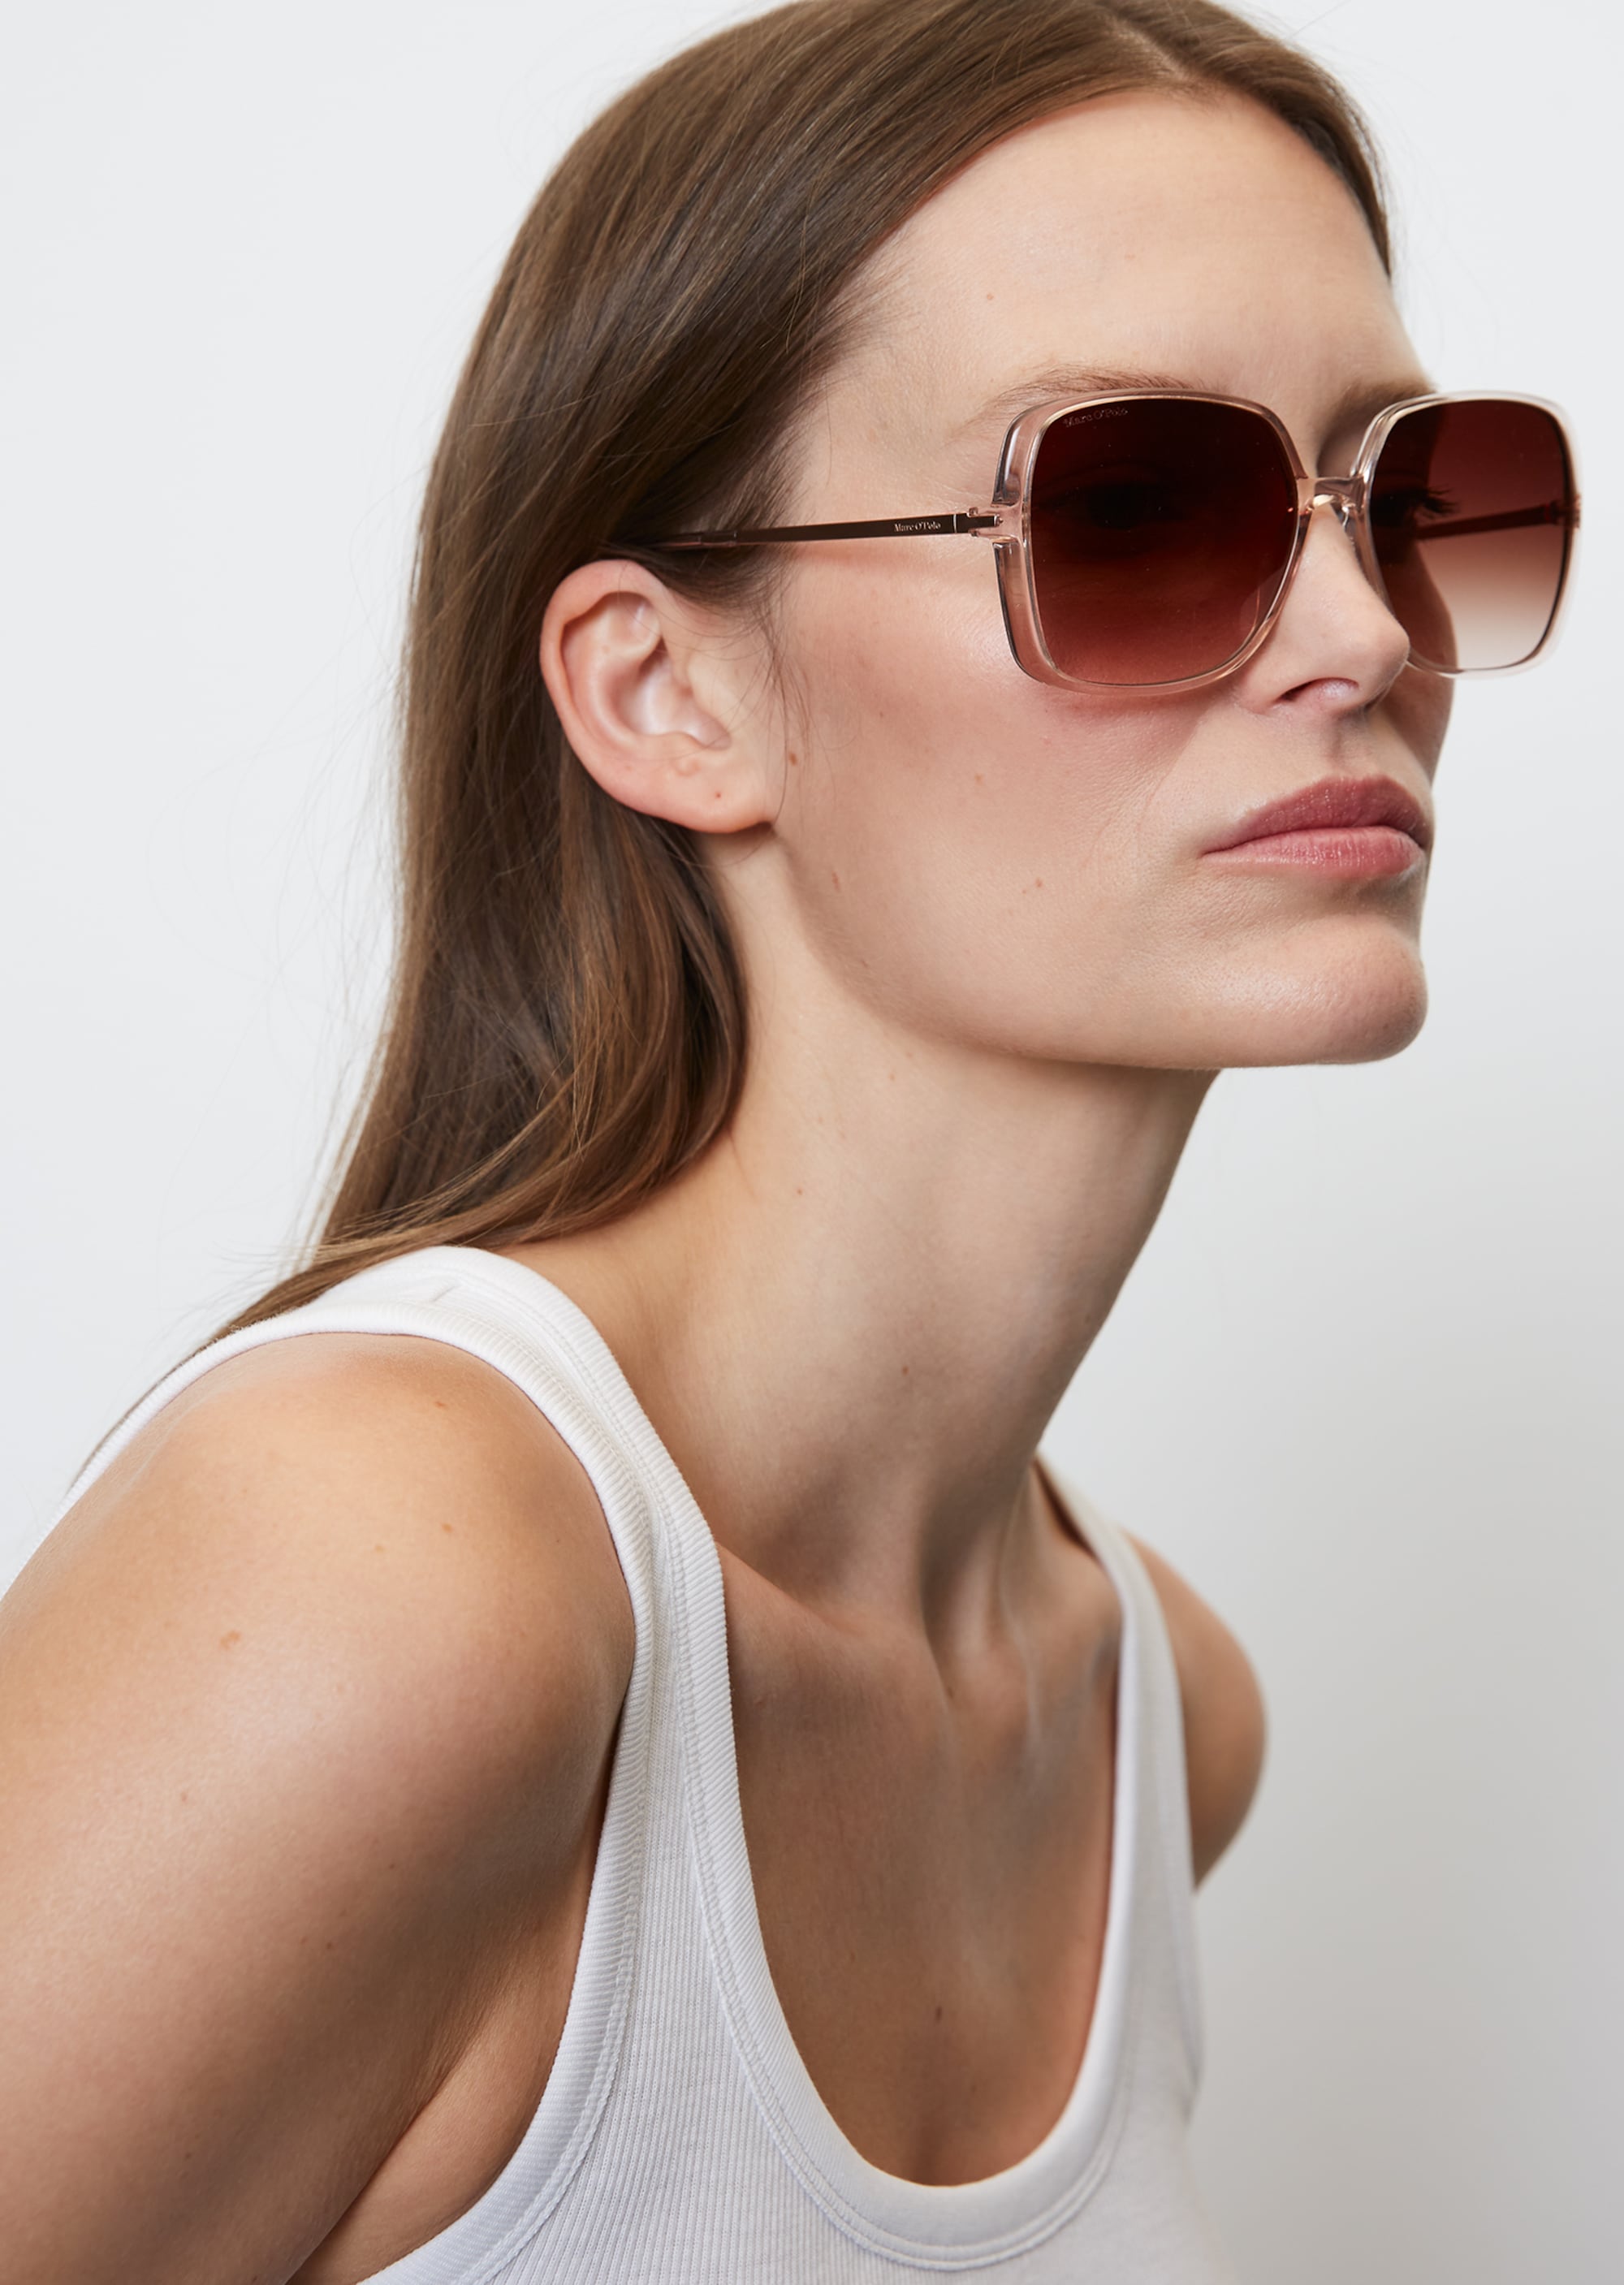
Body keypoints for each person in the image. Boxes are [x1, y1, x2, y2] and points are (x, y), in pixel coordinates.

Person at [0, 0, 1579, 2279]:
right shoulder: (386, 1577)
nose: (1362, 637)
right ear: (669, 692)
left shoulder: (1155, 1720)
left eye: (1414, 497)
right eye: (1135, 504)